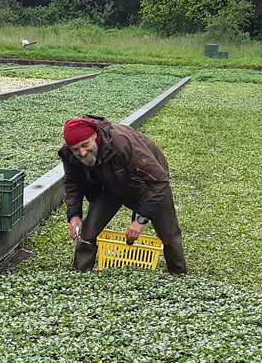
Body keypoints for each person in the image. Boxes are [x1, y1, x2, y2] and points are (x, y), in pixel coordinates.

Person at [60, 115, 188, 275]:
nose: (82, 152)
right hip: (110, 185)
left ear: (94, 135)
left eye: (85, 145)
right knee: (88, 230)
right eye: (76, 149)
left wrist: (140, 220)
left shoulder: (123, 143)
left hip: (147, 185)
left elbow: (159, 182)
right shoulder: (69, 154)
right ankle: (80, 273)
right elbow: (72, 182)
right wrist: (74, 215)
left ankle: (178, 274)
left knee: (169, 235)